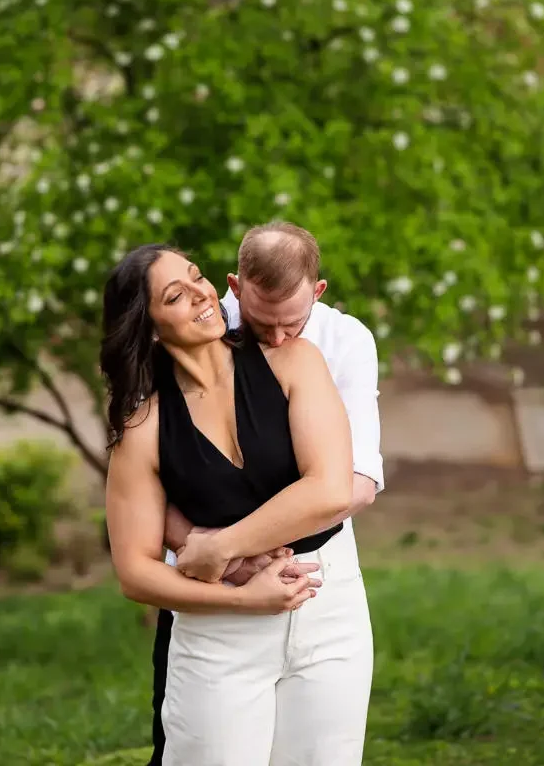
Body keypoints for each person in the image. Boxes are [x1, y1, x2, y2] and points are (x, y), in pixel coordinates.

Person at [102, 243, 359, 766]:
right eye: (176, 294)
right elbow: (134, 572)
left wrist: (218, 548)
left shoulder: (294, 362)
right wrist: (245, 599)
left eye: (196, 277)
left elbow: (330, 489)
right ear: (150, 326)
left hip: (328, 612)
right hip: (218, 632)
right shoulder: (143, 426)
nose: (202, 292)